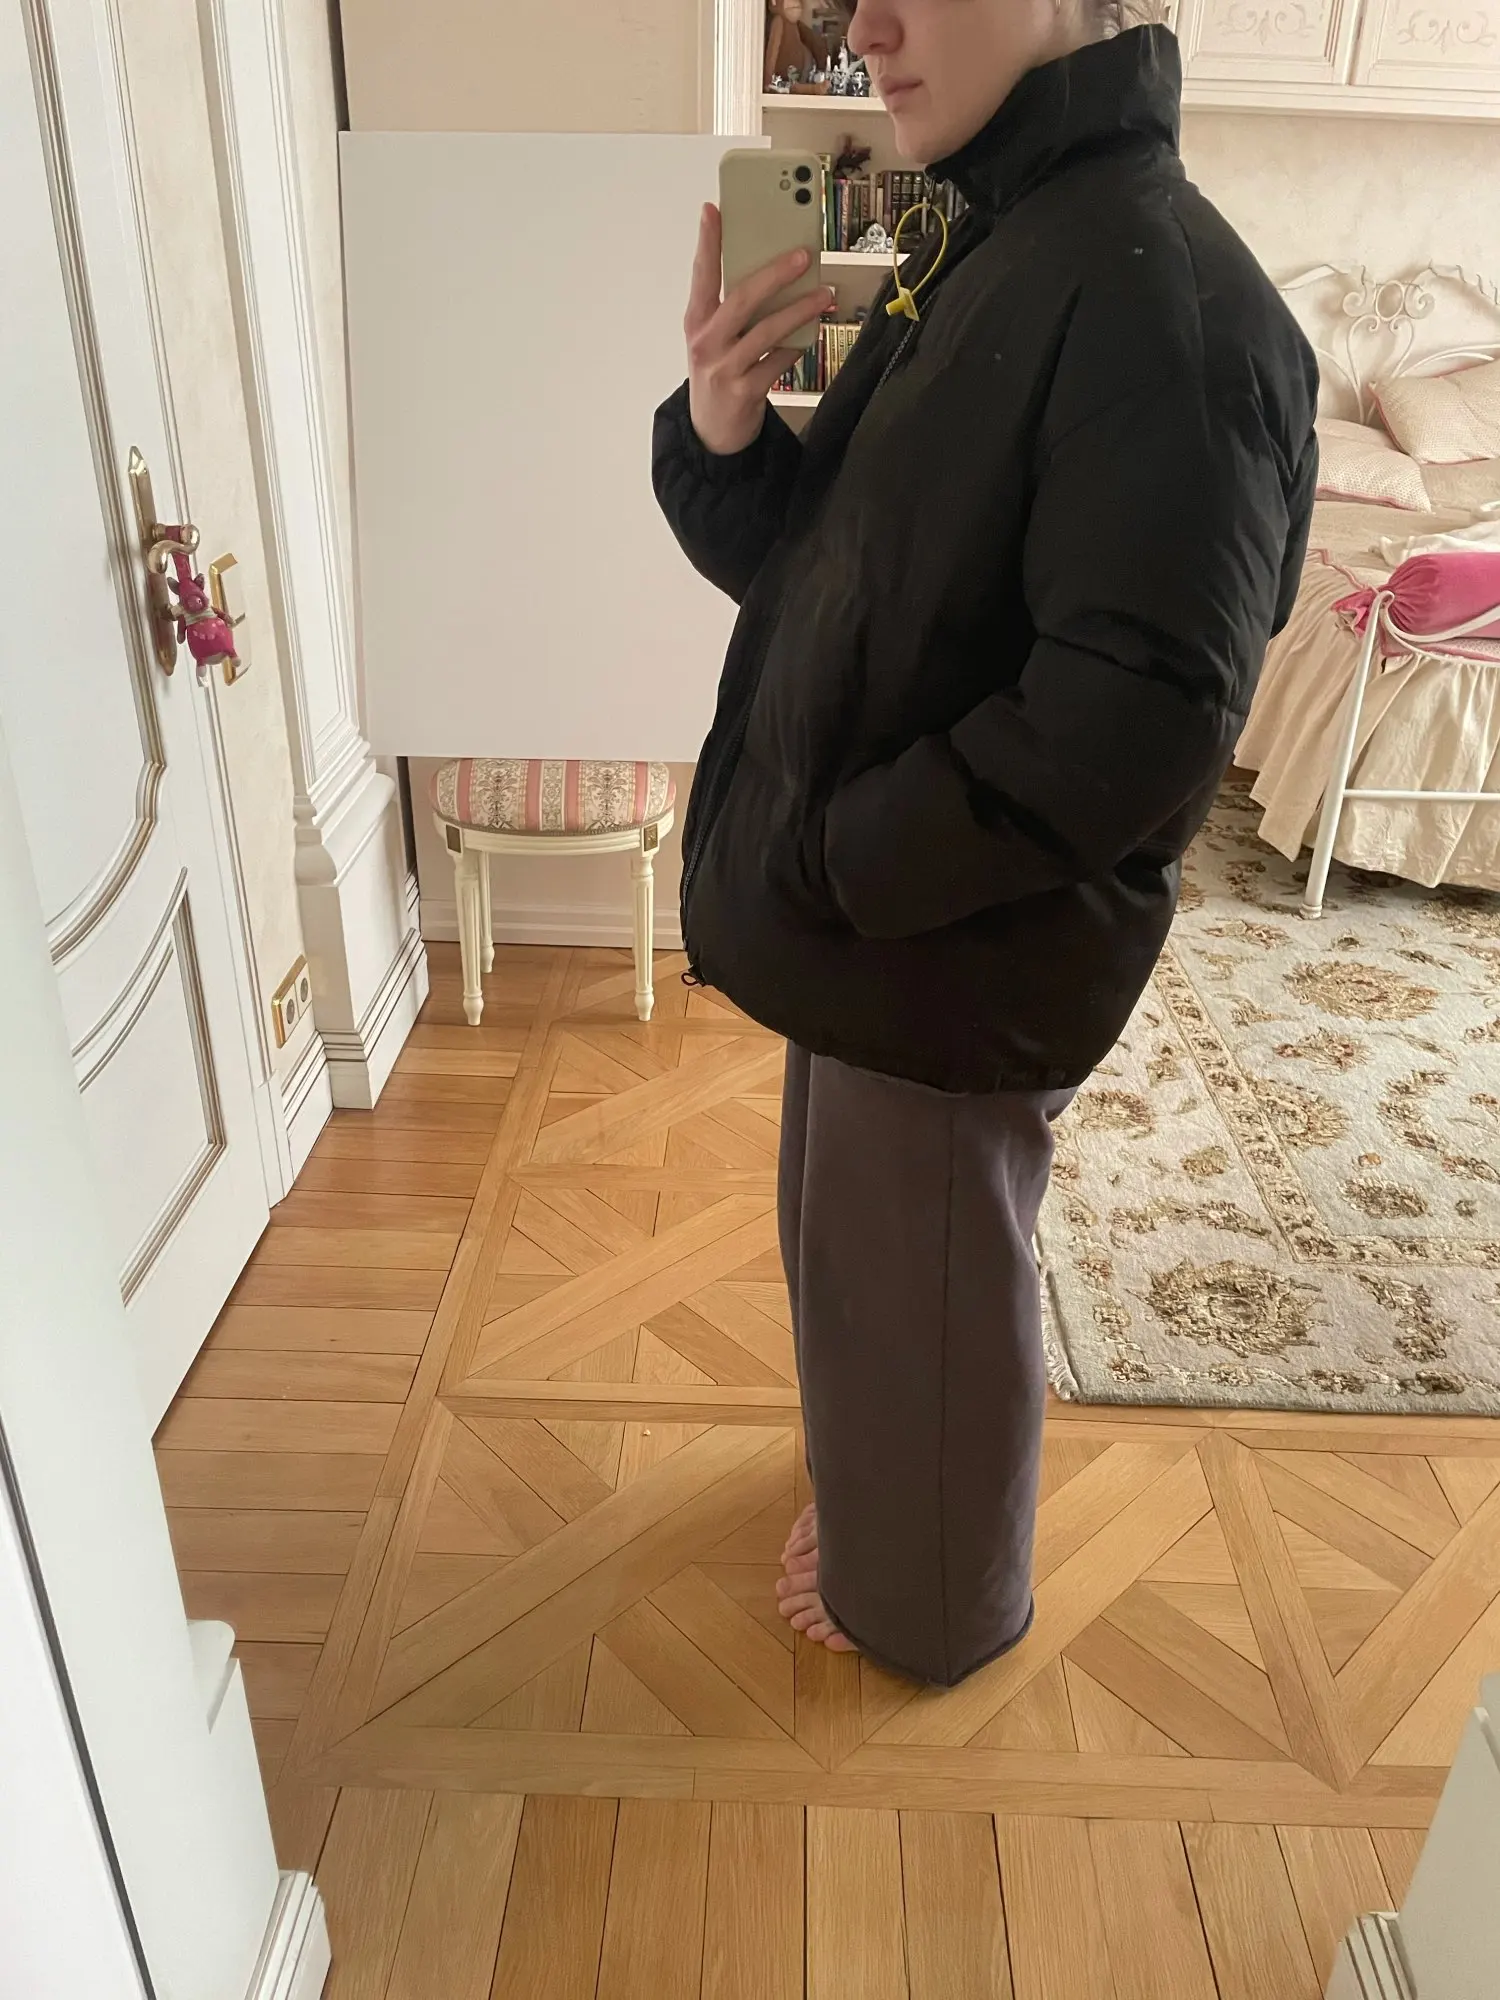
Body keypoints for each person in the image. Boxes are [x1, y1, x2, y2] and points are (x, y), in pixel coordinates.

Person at [652, 0, 1317, 1688]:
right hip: (878, 904)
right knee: (857, 1257)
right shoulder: (987, 237)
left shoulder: (1166, 303)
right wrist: (724, 429)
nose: (865, 26)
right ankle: (879, 1493)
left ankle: (932, 1599)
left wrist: (842, 862)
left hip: (950, 937)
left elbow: (1139, 718)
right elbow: (845, 579)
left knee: (925, 1275)